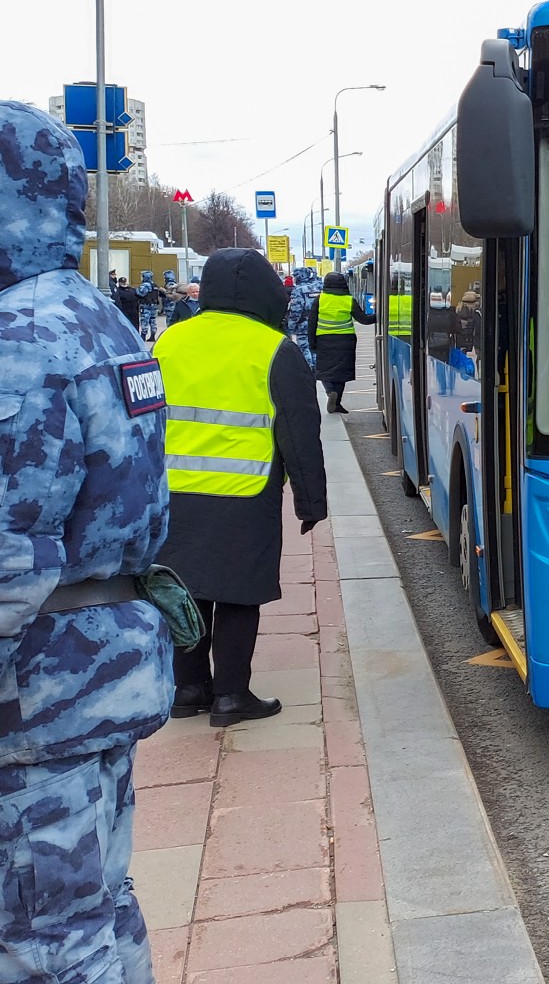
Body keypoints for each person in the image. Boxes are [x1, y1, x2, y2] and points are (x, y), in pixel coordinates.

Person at [0, 101, 173, 982]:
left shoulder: (21, 343)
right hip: (100, 674)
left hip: (34, 698)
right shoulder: (97, 318)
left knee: (44, 946)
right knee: (100, 908)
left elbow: (7, 562)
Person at [154, 249, 327, 726]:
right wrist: (311, 502)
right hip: (245, 495)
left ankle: (187, 689)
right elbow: (298, 430)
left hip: (173, 494)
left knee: (183, 591)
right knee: (236, 595)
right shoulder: (274, 348)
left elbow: (140, 420)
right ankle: (231, 696)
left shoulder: (169, 342)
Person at [308, 271, 375, 413]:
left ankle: (330, 392)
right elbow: (363, 320)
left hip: (324, 341)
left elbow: (312, 322)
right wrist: (380, 315)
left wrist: (312, 343)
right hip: (346, 342)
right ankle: (337, 403)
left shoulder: (320, 299)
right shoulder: (348, 300)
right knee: (341, 373)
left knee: (325, 372)